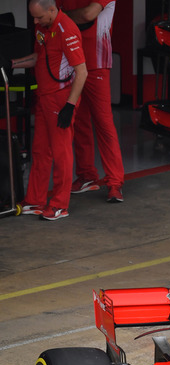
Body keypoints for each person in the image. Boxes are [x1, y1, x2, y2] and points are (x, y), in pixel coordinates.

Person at [13, 0, 87, 220]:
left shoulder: (67, 30)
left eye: (39, 17)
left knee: (61, 153)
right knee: (40, 151)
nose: (35, 22)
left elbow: (81, 72)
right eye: (33, 17)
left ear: (52, 10)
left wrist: (70, 106)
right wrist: (11, 63)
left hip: (61, 100)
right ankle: (35, 200)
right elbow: (38, 58)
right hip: (44, 98)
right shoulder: (43, 28)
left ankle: (59, 205)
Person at [58, 0, 124, 203]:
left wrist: (58, 17)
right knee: (79, 122)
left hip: (97, 64)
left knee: (103, 123)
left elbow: (87, 14)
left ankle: (115, 182)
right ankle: (87, 175)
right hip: (72, 62)